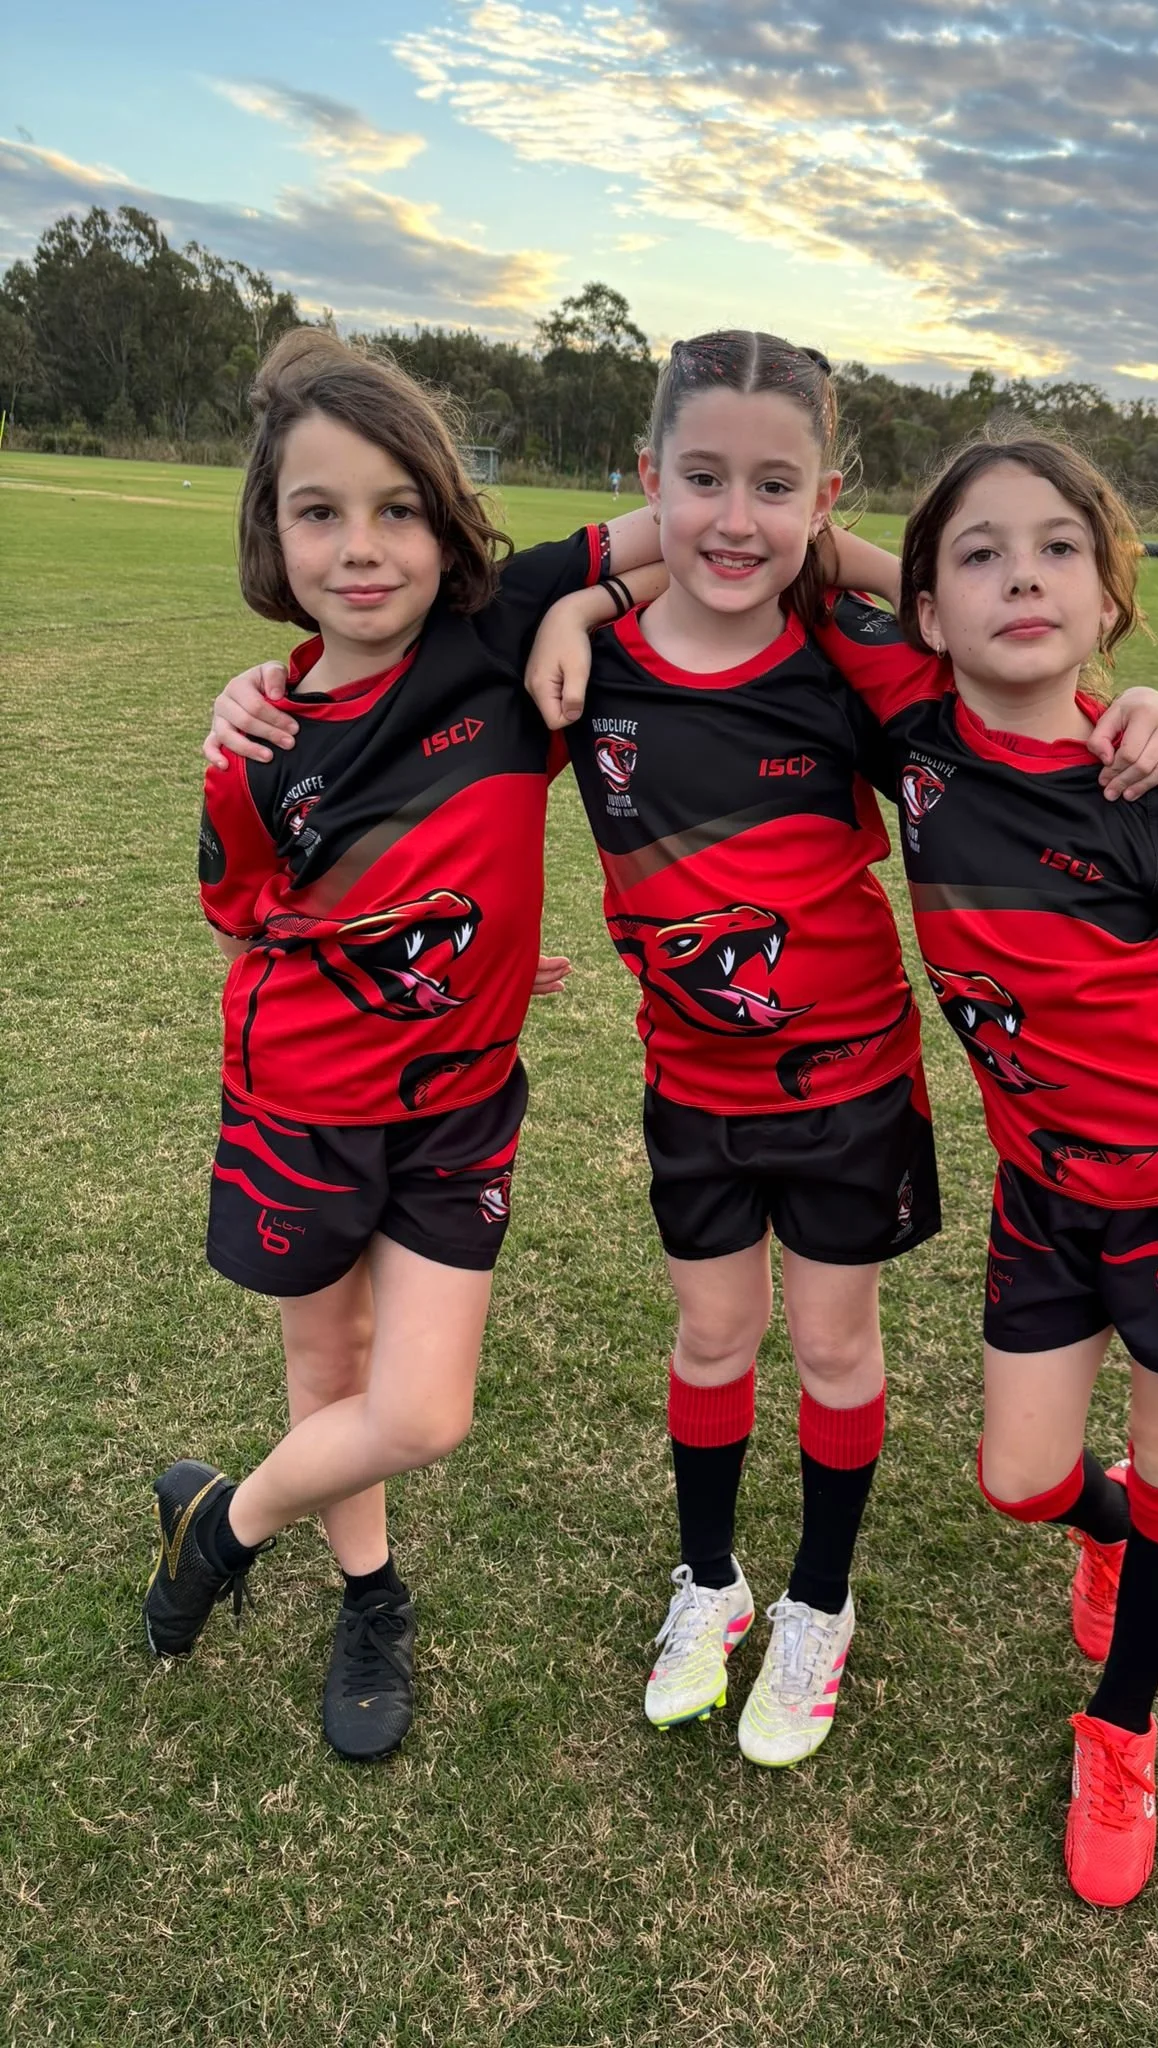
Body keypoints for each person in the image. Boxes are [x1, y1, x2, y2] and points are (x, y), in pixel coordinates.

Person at [522, 336, 1158, 1770]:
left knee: (832, 1346)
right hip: (689, 1090)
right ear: (649, 481)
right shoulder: (583, 668)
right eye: (701, 480)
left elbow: (1008, 678)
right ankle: (707, 1584)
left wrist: (1127, 706)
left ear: (827, 501)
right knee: (712, 1335)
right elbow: (432, 667)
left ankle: (818, 1604)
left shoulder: (858, 663)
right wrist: (587, 595)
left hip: (848, 1094)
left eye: (777, 488)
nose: (733, 519)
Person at [814, 435, 1158, 1905]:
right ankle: (1100, 1531)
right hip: (1045, 1196)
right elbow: (788, 554)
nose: (1020, 576)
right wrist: (584, 607)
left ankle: (1122, 1724)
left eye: (1058, 550)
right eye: (978, 555)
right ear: (926, 613)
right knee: (1021, 1478)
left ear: (1110, 598)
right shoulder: (911, 737)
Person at [146, 328, 662, 1761]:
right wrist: (415, 947)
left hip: (457, 1109)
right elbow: (246, 919)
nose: (361, 549)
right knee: (333, 1374)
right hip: (299, 1102)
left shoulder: (498, 635)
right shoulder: (254, 738)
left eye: (397, 509)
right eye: (320, 512)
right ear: (273, 533)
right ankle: (369, 1595)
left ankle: (224, 1521)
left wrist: (589, 604)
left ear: (446, 518)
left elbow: (708, 517)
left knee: (419, 1408)